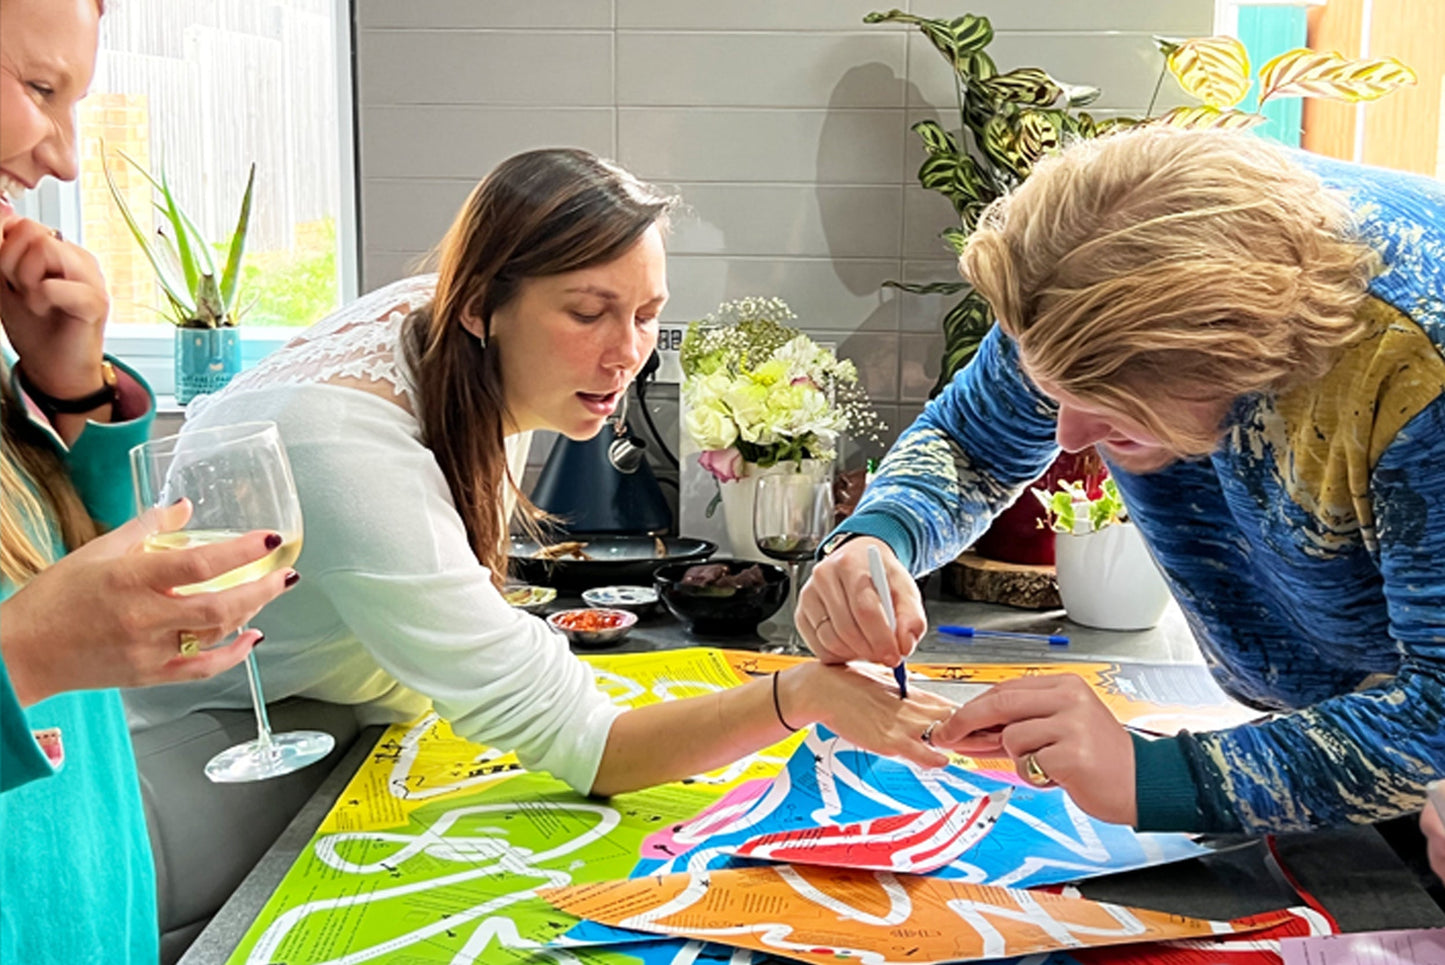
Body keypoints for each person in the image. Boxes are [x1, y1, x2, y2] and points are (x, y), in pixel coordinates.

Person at [124, 147, 958, 796]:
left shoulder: (448, 335)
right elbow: (591, 746)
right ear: (480, 305)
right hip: (211, 759)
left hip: (348, 722)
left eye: (647, 315)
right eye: (588, 313)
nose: (627, 353)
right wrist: (799, 695)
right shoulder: (345, 446)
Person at [799, 126, 1445, 835]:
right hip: (1319, 729)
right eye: (1056, 393)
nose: (1069, 435)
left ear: (1236, 352)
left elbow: (1438, 711)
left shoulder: (1417, 369)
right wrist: (880, 537)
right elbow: (972, 443)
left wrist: (1154, 777)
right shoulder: (1090, 265)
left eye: (1111, 406)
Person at [0, 0, 296, 959]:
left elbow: (72, 574)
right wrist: (26, 654)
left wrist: (71, 392)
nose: (63, 160)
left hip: (90, 910)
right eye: (38, 87)